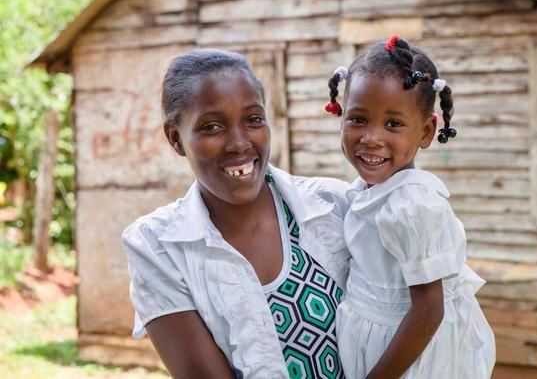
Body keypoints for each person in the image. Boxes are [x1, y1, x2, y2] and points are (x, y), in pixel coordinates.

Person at [122, 49, 351, 378]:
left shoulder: (335, 206)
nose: (239, 143)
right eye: (212, 127)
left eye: (253, 119)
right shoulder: (159, 247)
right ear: (176, 139)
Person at [326, 35, 495, 379]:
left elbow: (428, 312)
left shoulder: (412, 205)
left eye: (393, 124)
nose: (371, 137)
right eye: (358, 119)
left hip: (408, 359)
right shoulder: (368, 192)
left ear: (426, 131)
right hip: (381, 344)